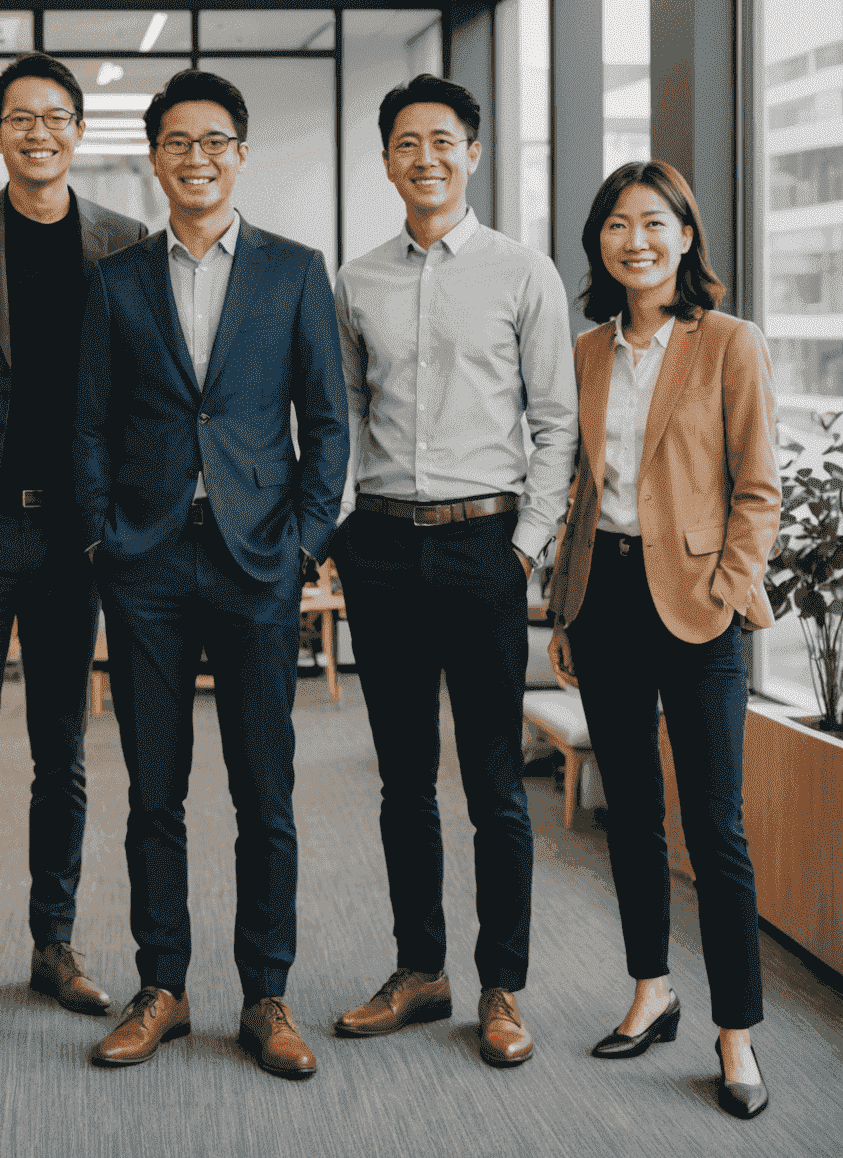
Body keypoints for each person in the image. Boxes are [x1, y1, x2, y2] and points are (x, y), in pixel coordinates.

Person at [73, 68, 348, 1079]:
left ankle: (266, 995)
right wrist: (105, 537)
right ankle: (164, 987)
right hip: (145, 562)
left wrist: (306, 544)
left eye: (214, 141)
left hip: (258, 563)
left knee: (264, 791)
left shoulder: (292, 271)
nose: (196, 158)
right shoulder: (118, 279)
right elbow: (90, 423)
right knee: (155, 791)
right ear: (155, 157)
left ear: (241, 153)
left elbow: (327, 424)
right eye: (177, 142)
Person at [331, 72, 575, 1068]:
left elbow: (556, 423)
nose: (424, 157)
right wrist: (344, 527)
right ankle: (419, 970)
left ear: (472, 153)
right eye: (405, 143)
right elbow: (342, 416)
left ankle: (502, 987)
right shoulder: (357, 281)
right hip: (383, 546)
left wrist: (526, 546)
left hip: (484, 545)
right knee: (400, 782)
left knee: (492, 786)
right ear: (386, 159)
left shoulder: (526, 274)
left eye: (443, 140)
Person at [0, 53, 145, 1022]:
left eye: (55, 117)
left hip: (77, 540)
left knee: (64, 752)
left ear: (79, 131)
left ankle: (55, 940)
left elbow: (143, 391)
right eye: (20, 117)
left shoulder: (124, 242)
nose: (37, 132)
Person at [548, 161, 779, 1120]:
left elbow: (758, 488)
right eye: (616, 224)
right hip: (604, 602)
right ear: (599, 242)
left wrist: (725, 591)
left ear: (686, 237)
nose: (633, 240)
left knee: (715, 828)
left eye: (654, 223)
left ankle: (738, 1032)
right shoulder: (585, 352)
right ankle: (652, 988)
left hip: (698, 607)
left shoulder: (729, 342)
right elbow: (576, 490)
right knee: (631, 815)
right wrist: (563, 607)